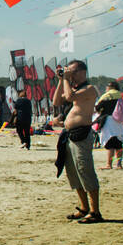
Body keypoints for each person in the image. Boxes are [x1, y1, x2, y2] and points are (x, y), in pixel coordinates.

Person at [52, 60, 103, 222]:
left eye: (73, 71)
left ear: (82, 72)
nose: (71, 75)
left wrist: (66, 79)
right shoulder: (71, 86)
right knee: (73, 173)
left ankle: (95, 211)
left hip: (82, 135)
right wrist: (61, 80)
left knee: (85, 171)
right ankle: (84, 207)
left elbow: (70, 97)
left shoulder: (89, 89)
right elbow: (56, 101)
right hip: (69, 135)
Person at [95, 82, 123, 170]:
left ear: (111, 87)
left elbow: (97, 107)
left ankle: (109, 164)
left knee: (110, 143)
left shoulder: (106, 96)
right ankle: (119, 164)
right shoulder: (120, 96)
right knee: (119, 144)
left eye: (107, 86)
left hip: (109, 120)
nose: (106, 88)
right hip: (119, 120)